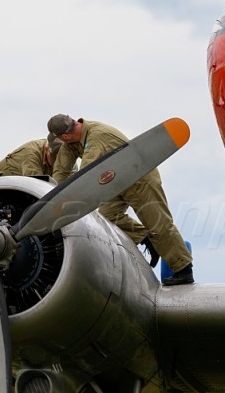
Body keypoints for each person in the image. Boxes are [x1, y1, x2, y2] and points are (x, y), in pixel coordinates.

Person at [47, 114, 194, 286]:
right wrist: (51, 200)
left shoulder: (97, 136)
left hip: (140, 178)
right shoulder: (72, 142)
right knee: (107, 219)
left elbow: (85, 175)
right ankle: (146, 239)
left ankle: (184, 269)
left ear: (64, 136)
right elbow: (61, 172)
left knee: (159, 224)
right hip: (117, 182)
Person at [0, 134, 64, 178]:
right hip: (5, 182)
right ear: (46, 149)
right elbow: (36, 184)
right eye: (54, 158)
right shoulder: (31, 154)